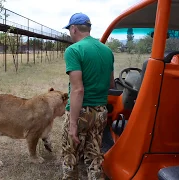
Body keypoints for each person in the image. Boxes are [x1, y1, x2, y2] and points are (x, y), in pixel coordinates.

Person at [61, 12, 115, 180]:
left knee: (70, 155)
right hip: (101, 112)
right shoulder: (107, 51)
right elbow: (111, 84)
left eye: (70, 29)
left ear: (74, 28)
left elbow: (78, 90)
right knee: (94, 155)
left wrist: (73, 123)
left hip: (81, 112)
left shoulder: (73, 50)